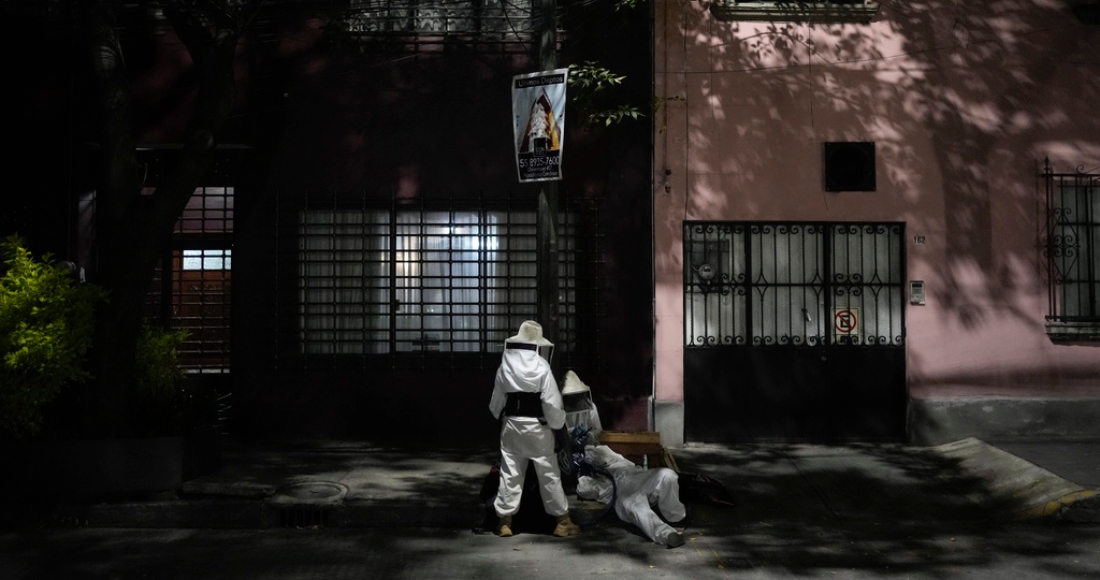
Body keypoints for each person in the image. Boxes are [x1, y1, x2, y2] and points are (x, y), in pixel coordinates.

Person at [489, 320, 580, 538]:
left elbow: (495, 405)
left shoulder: (504, 366)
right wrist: (558, 425)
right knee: (549, 474)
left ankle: (504, 523)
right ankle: (562, 522)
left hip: (511, 425)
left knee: (510, 474)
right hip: (538, 428)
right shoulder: (541, 366)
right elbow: (552, 404)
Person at [576, 444, 688, 548]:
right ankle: (667, 535)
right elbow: (583, 489)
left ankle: (676, 519)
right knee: (637, 510)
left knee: (667, 475)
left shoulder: (616, 461)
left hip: (642, 477)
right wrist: (586, 472)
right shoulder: (593, 482)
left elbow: (601, 451)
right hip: (623, 493)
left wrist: (585, 456)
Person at [561, 370, 602, 447]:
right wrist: (570, 435)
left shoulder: (591, 407)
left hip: (587, 448)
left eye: (577, 395)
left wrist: (589, 436)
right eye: (571, 396)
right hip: (567, 450)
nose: (575, 399)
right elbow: (557, 435)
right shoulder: (558, 410)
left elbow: (598, 431)